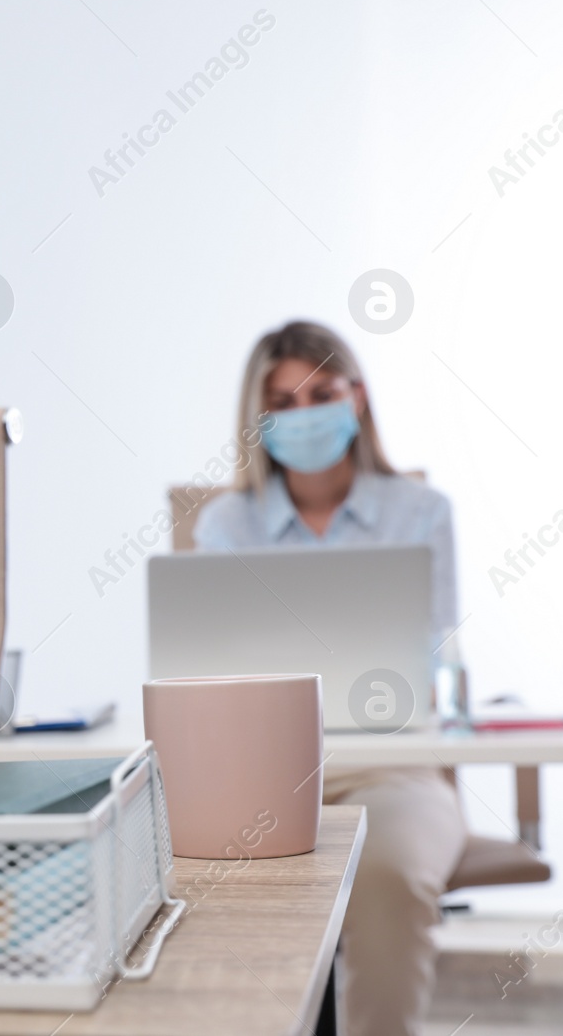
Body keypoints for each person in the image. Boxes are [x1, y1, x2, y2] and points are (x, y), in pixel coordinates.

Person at [194, 321, 466, 1036]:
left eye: (321, 392)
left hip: (397, 769)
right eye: (282, 399)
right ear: (258, 420)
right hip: (259, 774)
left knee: (389, 874)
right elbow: (212, 676)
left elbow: (435, 663)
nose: (305, 412)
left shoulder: (421, 513)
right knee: (202, 882)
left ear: (358, 397)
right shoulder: (225, 525)